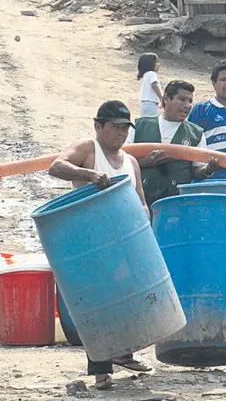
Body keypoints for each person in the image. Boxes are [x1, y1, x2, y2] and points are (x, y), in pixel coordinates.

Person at [48, 100, 151, 390]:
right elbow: (56, 166)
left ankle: (126, 353)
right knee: (99, 306)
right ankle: (101, 373)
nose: (121, 134)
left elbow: (141, 200)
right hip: (90, 242)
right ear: (99, 126)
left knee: (129, 299)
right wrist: (89, 175)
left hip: (124, 243)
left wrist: (145, 230)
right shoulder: (88, 149)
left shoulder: (131, 162)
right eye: (115, 128)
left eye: (124, 129)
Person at [130, 80, 218, 204]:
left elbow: (196, 170)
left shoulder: (196, 133)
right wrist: (146, 162)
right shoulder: (139, 126)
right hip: (142, 201)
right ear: (166, 98)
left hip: (177, 203)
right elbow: (122, 161)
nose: (187, 105)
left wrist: (208, 170)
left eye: (190, 101)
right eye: (182, 99)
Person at [136, 53, 163, 117]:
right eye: (156, 62)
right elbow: (154, 85)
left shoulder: (146, 74)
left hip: (144, 103)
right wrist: (161, 98)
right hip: (151, 103)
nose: (159, 64)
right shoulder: (152, 74)